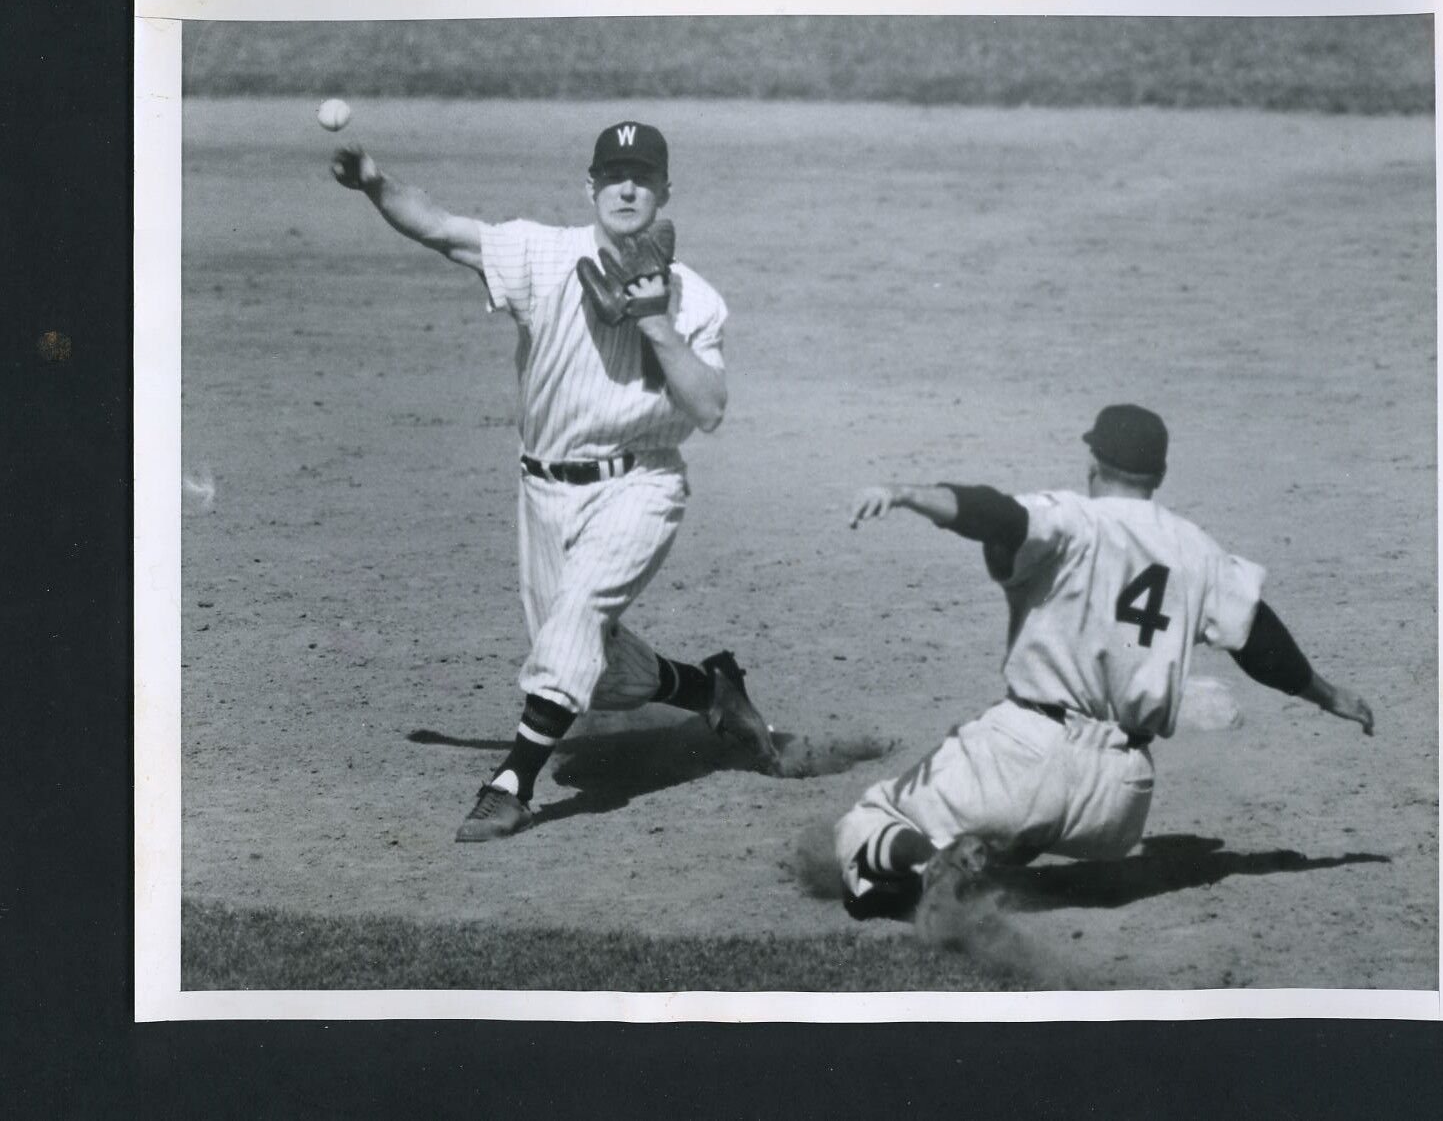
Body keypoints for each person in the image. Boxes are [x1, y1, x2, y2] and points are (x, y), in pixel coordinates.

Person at [331, 120, 782, 843]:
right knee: (596, 672)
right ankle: (710, 688)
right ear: (591, 186)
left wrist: (656, 326)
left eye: (641, 176)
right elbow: (444, 231)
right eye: (613, 175)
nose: (626, 187)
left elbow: (711, 409)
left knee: (572, 621)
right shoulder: (540, 253)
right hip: (542, 493)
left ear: (664, 190)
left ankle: (512, 783)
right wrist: (376, 184)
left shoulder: (695, 299)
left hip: (639, 486)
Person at [834, 403, 1374, 913]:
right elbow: (1258, 639)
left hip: (1022, 761)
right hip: (1116, 802)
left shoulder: (1074, 519)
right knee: (1003, 831)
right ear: (1157, 477)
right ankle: (973, 859)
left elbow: (996, 515)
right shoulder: (1197, 549)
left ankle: (925, 861)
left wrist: (905, 493)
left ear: (1094, 463)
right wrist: (1329, 696)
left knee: (869, 818)